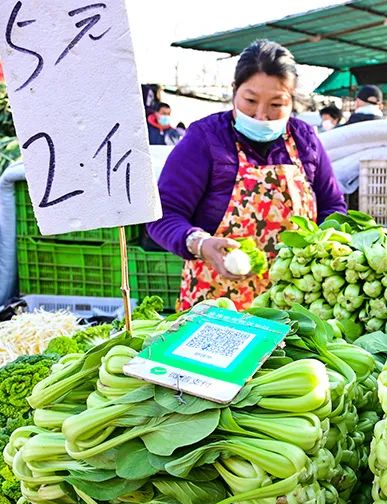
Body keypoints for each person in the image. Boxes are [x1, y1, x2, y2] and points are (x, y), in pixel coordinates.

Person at [147, 39, 347, 311]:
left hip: (295, 304)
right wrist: (200, 243)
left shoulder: (304, 140)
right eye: (250, 100)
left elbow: (332, 207)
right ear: (234, 91)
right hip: (217, 302)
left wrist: (324, 248)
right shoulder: (206, 138)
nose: (262, 115)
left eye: (277, 104)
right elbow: (164, 213)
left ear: (292, 100)